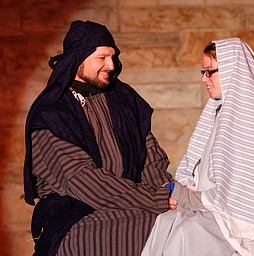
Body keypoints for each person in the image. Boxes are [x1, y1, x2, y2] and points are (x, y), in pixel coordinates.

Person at [142, 38, 254, 256]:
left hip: (240, 223)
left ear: (233, 71)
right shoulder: (219, 113)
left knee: (187, 232)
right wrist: (183, 191)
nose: (205, 80)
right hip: (211, 211)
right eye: (203, 72)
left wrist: (189, 197)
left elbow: (245, 194)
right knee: (164, 222)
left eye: (210, 72)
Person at [23, 20, 174, 256]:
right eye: (102, 58)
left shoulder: (123, 99)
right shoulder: (53, 114)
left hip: (138, 201)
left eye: (113, 57)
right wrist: (156, 199)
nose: (111, 65)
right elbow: (83, 180)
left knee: (182, 222)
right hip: (75, 213)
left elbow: (150, 156)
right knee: (147, 227)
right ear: (78, 58)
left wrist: (166, 190)